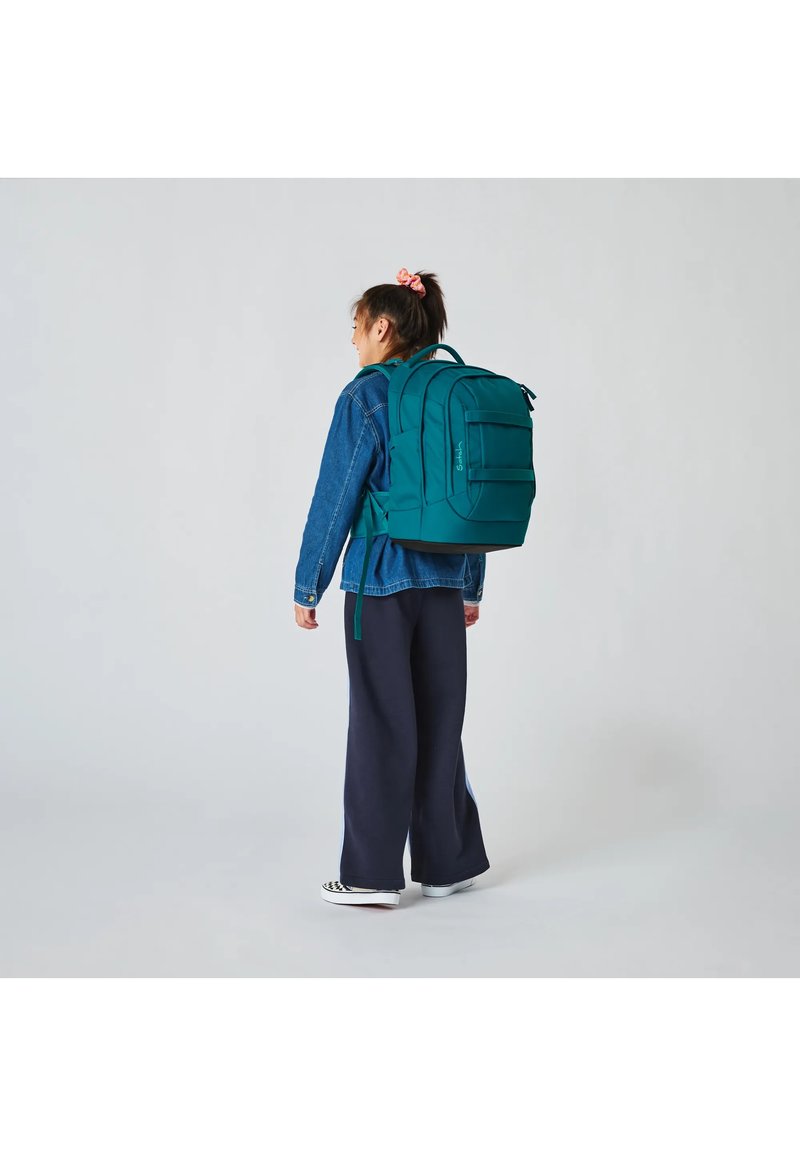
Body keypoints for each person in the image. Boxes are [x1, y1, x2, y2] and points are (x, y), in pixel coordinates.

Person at [293, 268, 491, 908]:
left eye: (357, 329)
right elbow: (469, 501)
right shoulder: (454, 392)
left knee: (382, 722)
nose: (353, 341)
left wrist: (309, 583)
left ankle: (371, 876)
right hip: (443, 584)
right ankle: (447, 864)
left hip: (378, 585)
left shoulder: (365, 397)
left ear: (382, 327)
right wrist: (470, 586)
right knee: (440, 720)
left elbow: (336, 497)